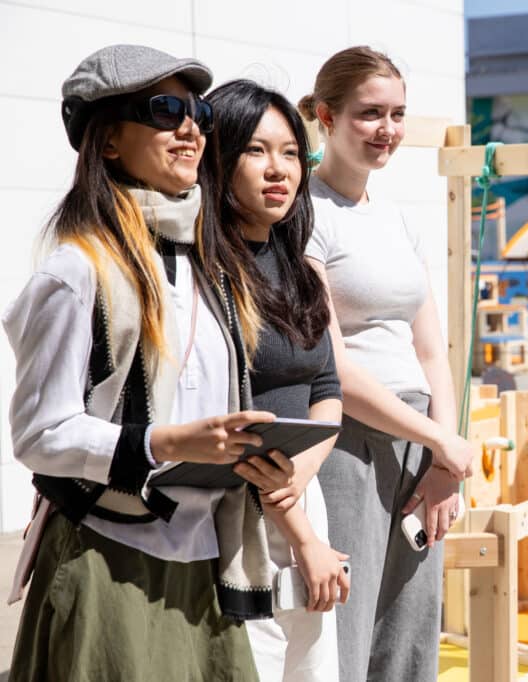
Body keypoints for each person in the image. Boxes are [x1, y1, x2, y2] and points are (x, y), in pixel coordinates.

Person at [4, 45, 284, 680]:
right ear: (107, 141)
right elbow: (39, 434)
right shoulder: (77, 271)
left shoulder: (214, 270)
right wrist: (165, 442)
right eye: (165, 109)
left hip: (205, 561)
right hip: (109, 558)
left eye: (200, 112)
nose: (191, 128)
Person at [294, 46, 474, 680]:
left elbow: (431, 349)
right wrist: (440, 442)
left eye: (397, 113)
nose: (387, 130)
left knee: (411, 627)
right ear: (326, 115)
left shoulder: (398, 219)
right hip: (349, 442)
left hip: (421, 442)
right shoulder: (302, 217)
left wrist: (445, 452)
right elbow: (331, 365)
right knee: (346, 623)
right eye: (371, 113)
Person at [203, 79, 350, 682]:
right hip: (238, 514)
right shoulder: (204, 273)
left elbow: (328, 390)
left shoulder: (300, 271)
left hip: (297, 491)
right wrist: (301, 529)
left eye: (290, 152)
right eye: (257, 151)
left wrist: (301, 486)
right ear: (218, 157)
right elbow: (237, 422)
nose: (278, 169)